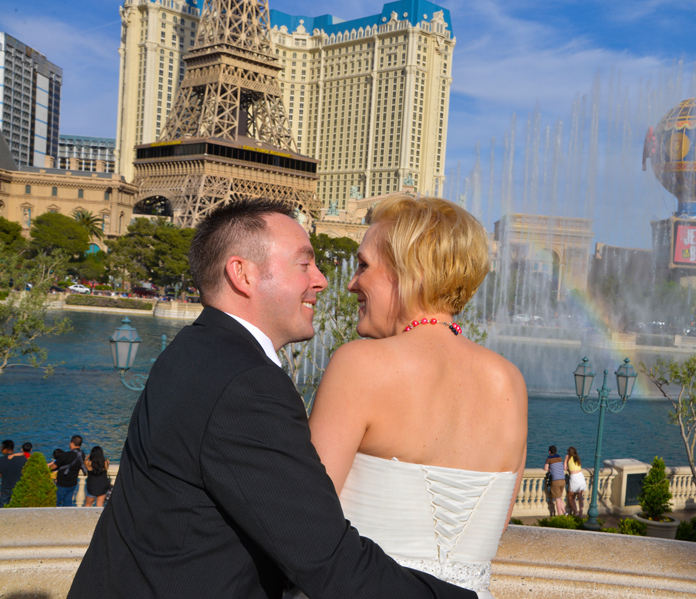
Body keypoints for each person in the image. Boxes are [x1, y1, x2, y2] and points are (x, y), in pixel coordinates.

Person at [68, 199, 475, 599]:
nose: (323, 280)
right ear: (242, 274)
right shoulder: (247, 383)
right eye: (304, 264)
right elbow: (327, 560)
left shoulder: (192, 350)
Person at [307, 195, 528, 599]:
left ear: (410, 271)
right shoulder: (510, 382)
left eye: (363, 266)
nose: (352, 282)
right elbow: (497, 528)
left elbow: (304, 523)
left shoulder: (360, 365)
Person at [50, 435, 86, 507]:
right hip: (73, 483)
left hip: (62, 483)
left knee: (55, 503)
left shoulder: (65, 455)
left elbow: (53, 467)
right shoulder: (82, 454)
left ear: (72, 443)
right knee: (68, 504)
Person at [0, 440, 27, 506]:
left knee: (3, 508)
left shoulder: (1, 460)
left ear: (5, 449)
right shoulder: (23, 459)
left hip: (5, 487)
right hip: (19, 486)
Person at [544, 446, 566, 517]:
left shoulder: (549, 458)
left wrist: (550, 470)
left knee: (557, 499)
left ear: (549, 452)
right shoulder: (559, 457)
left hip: (556, 481)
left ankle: (559, 515)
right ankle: (565, 513)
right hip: (563, 480)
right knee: (559, 498)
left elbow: (545, 468)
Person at [565, 446, 586, 518]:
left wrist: (568, 468)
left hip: (574, 477)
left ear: (569, 452)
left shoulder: (567, 457)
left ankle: (576, 512)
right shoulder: (577, 458)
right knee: (580, 496)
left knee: (571, 496)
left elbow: (564, 467)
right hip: (580, 476)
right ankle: (581, 513)